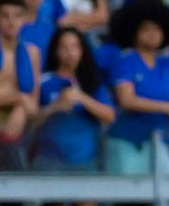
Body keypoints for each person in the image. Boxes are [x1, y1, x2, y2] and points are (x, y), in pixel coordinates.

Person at [105, 0, 169, 177]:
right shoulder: (125, 61)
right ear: (134, 30)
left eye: (157, 29)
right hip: (127, 140)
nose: (152, 34)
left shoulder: (168, 65)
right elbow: (127, 99)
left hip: (159, 141)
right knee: (129, 198)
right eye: (146, 29)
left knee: (165, 195)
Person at [32, 26, 114, 178]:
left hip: (86, 160)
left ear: (83, 50)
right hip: (51, 160)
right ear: (55, 50)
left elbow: (109, 116)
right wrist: (55, 107)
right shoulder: (44, 82)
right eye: (64, 47)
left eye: (75, 46)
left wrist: (82, 98)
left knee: (88, 202)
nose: (70, 52)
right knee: (56, 202)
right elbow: (31, 121)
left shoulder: (92, 83)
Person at [0, 0, 39, 171]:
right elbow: (26, 99)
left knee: (18, 194)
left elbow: (33, 106)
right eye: (5, 16)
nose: (11, 21)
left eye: (17, 16)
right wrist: (19, 98)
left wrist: (21, 108)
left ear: (25, 19)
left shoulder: (32, 53)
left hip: (17, 137)